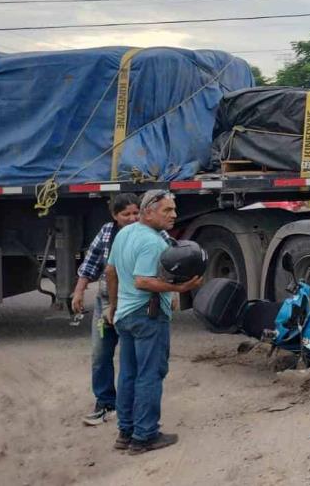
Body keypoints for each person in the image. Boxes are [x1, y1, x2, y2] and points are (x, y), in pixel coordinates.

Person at [106, 189, 202, 455]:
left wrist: (113, 306)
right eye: (167, 211)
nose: (174, 215)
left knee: (128, 374)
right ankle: (144, 436)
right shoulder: (152, 242)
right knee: (149, 375)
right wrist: (181, 289)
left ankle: (125, 433)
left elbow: (111, 271)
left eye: (174, 209)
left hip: (125, 315)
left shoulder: (124, 233)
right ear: (148, 212)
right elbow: (142, 280)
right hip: (148, 316)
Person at [71, 193, 141, 426]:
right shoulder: (106, 233)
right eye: (126, 214)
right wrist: (79, 291)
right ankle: (105, 403)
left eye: (135, 213)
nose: (132, 218)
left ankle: (132, 405)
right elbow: (90, 264)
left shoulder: (149, 233)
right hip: (106, 303)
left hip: (133, 304)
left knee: (133, 356)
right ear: (114, 216)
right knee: (100, 355)